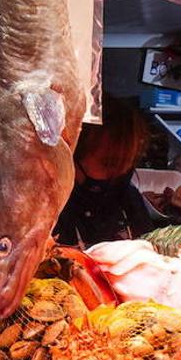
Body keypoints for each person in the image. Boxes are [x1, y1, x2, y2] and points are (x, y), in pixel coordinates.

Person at [53, 96, 155, 247]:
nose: (119, 173)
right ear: (73, 156)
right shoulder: (51, 210)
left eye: (128, 163)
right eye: (109, 163)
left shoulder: (129, 199)